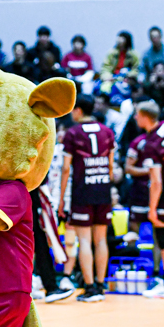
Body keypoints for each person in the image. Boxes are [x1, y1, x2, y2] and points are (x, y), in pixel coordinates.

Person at [58, 94, 116, 303]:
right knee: (100, 239)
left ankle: (90, 288)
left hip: (82, 192)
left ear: (79, 110)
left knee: (84, 240)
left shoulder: (73, 133)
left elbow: (66, 169)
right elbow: (111, 165)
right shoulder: (107, 132)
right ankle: (100, 285)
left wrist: (62, 199)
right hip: (103, 190)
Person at [128, 101, 164, 299]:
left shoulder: (151, 145)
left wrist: (152, 209)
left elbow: (156, 182)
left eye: (137, 114)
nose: (135, 117)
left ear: (145, 116)